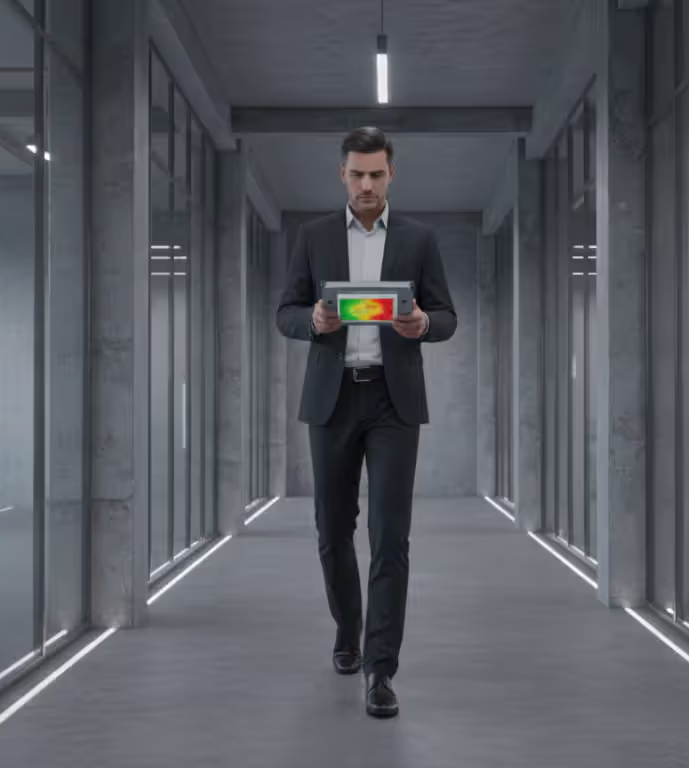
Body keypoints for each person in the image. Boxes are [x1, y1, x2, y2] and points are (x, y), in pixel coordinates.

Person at [276, 126, 457, 718]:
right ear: (343, 174)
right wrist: (316, 323)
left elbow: (448, 314)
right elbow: (286, 311)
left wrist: (424, 325)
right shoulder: (313, 236)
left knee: (389, 537)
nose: (367, 185)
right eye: (357, 174)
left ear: (391, 174)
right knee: (333, 532)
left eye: (377, 174)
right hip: (331, 400)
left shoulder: (418, 238)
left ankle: (381, 669)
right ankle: (348, 631)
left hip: (392, 401)